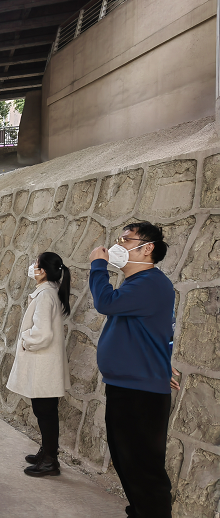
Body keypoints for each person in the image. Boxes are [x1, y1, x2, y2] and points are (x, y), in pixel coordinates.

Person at [89, 222, 178, 518]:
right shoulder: (137, 284)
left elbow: (105, 302)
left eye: (126, 240)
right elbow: (156, 331)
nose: (119, 246)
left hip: (140, 394)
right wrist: (160, 362)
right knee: (128, 462)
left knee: (144, 469)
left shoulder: (150, 283)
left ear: (148, 247)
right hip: (128, 387)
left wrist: (98, 265)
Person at [6, 252, 71, 477]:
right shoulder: (51, 292)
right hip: (46, 365)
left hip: (43, 365)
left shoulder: (45, 295)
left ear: (43, 271)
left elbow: (42, 334)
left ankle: (50, 460)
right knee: (46, 411)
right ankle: (47, 453)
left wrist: (25, 340)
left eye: (36, 264)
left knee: (45, 412)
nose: (32, 267)